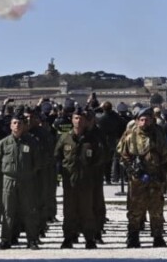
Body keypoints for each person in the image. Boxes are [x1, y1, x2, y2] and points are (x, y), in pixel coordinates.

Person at [118, 106, 167, 248]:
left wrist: (159, 172)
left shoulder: (158, 134)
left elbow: (164, 155)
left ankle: (158, 236)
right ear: (137, 121)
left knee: (156, 209)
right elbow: (123, 155)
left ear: (152, 120)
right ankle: (133, 236)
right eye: (142, 120)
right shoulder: (130, 136)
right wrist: (133, 170)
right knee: (135, 209)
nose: (144, 122)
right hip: (137, 179)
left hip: (155, 177)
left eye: (147, 119)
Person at [54, 107, 102, 249]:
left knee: (87, 210)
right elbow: (57, 156)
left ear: (86, 121)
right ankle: (68, 237)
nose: (79, 121)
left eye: (81, 118)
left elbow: (99, 157)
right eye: (76, 118)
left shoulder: (92, 139)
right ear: (72, 120)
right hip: (70, 181)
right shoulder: (64, 138)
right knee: (69, 211)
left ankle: (89, 238)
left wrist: (90, 170)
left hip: (86, 181)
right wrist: (60, 173)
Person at [0, 114, 40, 250]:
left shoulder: (31, 142)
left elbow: (37, 161)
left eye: (19, 123)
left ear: (24, 125)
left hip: (26, 180)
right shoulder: (3, 143)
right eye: (14, 123)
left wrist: (28, 173)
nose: (17, 125)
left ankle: (32, 240)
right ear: (10, 126)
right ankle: (5, 239)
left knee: (29, 210)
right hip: (9, 179)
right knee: (8, 211)